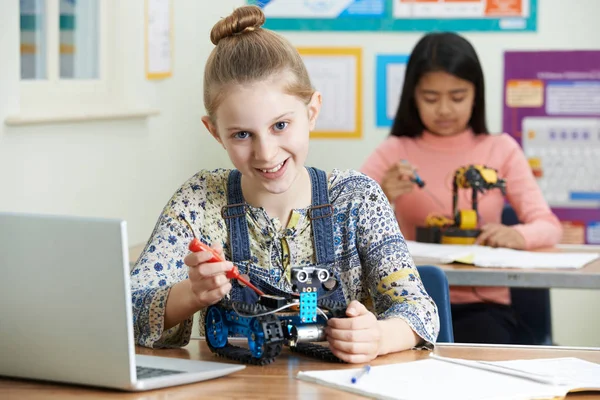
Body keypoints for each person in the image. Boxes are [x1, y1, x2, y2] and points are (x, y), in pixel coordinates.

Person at [130, 5, 439, 363]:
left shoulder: (357, 198)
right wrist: (192, 293)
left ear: (311, 112)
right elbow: (126, 311)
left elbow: (418, 309)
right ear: (215, 132)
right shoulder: (199, 201)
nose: (266, 152)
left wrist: (379, 336)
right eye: (243, 134)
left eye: (280, 125)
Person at [360, 32, 562, 344]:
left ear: (476, 94)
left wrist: (518, 235)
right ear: (412, 96)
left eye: (457, 97)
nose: (444, 109)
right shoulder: (394, 150)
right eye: (430, 97)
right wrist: (381, 196)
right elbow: (343, 221)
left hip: (483, 308)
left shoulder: (501, 149)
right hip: (407, 305)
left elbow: (549, 226)